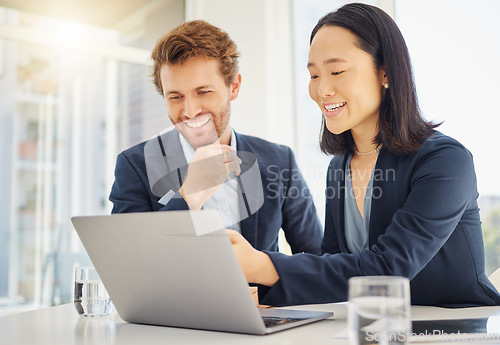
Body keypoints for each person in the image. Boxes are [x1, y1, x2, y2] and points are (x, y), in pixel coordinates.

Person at [228, 3, 500, 307]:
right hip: (379, 326)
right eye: (314, 75)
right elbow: (333, 262)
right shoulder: (338, 167)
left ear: (385, 73)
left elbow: (389, 268)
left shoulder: (446, 160)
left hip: (458, 327)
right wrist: (267, 293)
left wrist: (266, 266)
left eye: (337, 71)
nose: (322, 90)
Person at [109, 20, 322, 255]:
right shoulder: (135, 166)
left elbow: (315, 261)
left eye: (203, 92)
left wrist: (271, 286)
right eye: (175, 97)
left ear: (234, 87)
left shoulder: (279, 161)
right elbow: (129, 261)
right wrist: (190, 194)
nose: (190, 111)